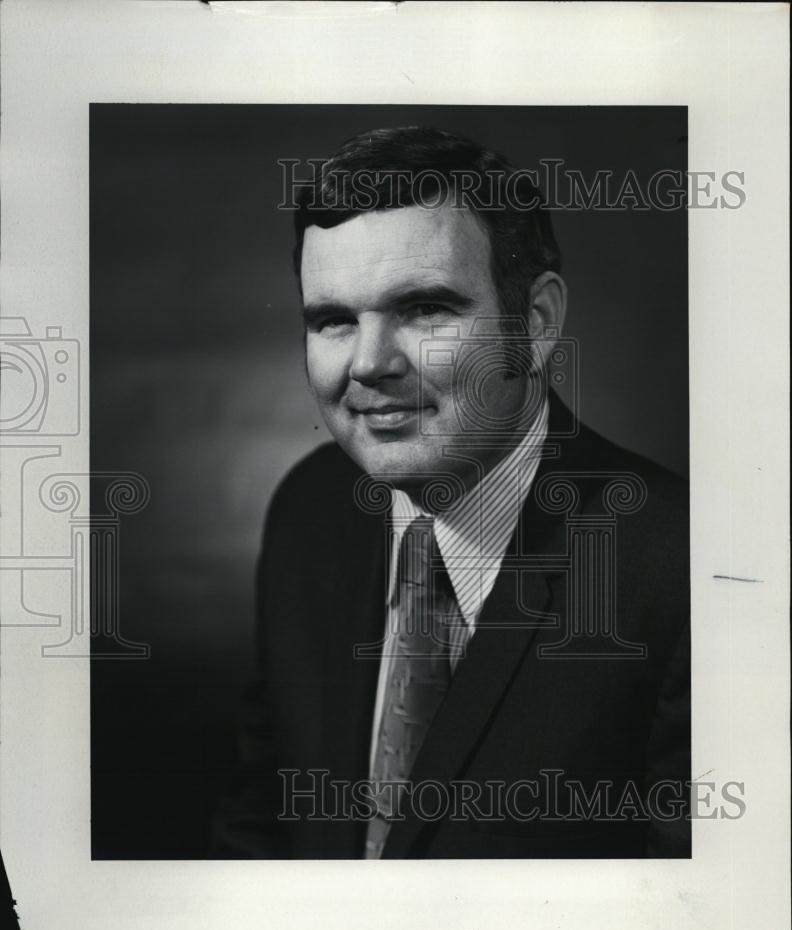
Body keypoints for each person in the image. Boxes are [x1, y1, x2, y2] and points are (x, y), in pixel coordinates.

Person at [212, 126, 690, 860]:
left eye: (425, 309)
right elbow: (261, 820)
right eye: (334, 320)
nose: (369, 364)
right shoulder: (308, 508)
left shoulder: (683, 567)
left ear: (535, 324)